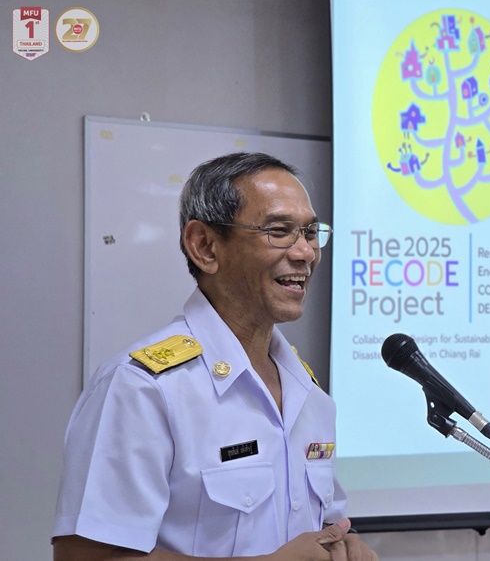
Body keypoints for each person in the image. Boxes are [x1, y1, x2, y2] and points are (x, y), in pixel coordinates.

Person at [52, 152, 377, 560]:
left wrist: (345, 546)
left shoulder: (307, 391)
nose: (305, 253)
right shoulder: (143, 388)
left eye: (311, 233)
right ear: (204, 246)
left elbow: (325, 525)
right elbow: (84, 557)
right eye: (279, 231)